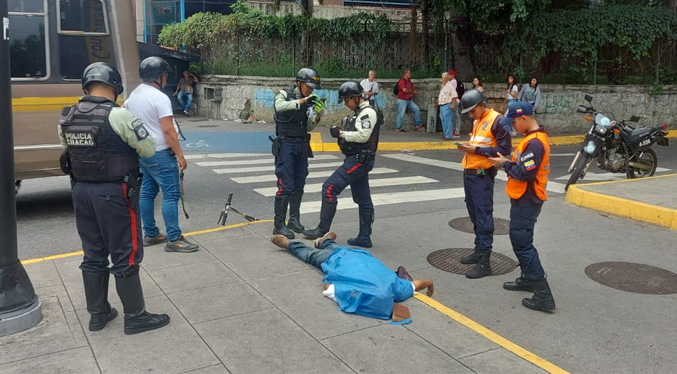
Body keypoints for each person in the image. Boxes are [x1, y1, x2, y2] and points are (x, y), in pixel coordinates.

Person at [58, 62, 170, 335]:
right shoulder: (119, 116)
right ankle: (135, 316)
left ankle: (98, 314)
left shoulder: (68, 116)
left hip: (81, 193)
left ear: (85, 86)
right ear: (116, 88)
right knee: (126, 253)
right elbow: (147, 149)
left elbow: (66, 150)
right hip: (114, 194)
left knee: (93, 253)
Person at [125, 56, 199, 253]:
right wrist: (181, 156)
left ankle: (150, 233)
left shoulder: (134, 95)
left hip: (143, 153)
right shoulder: (159, 98)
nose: (166, 78)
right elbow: (168, 130)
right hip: (160, 153)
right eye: (165, 75)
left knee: (148, 192)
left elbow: (126, 115)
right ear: (159, 77)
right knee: (171, 194)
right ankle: (174, 238)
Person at [271, 232, 434, 320]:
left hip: (357, 255)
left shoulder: (394, 287)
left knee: (335, 247)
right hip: (332, 260)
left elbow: (418, 284)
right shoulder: (358, 293)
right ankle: (289, 244)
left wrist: (429, 283)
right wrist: (343, 293)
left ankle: (324, 240)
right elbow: (327, 287)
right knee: (309, 255)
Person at [489, 101, 555, 312]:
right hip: (523, 198)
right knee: (522, 240)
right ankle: (527, 279)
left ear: (525, 118)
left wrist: (504, 164)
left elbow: (524, 173)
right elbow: (523, 166)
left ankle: (544, 295)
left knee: (522, 243)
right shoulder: (531, 139)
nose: (513, 126)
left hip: (529, 198)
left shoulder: (535, 143)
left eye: (514, 121)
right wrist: (508, 162)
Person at [302, 81, 381, 248]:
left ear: (355, 98)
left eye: (346, 100)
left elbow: (363, 136)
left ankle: (322, 230)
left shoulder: (367, 113)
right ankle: (364, 237)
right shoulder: (359, 112)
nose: (346, 104)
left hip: (359, 159)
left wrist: (341, 133)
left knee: (329, 188)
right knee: (363, 198)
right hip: (358, 159)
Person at [456, 89, 512, 279]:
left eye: (472, 111)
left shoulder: (498, 120)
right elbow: (481, 145)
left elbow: (505, 150)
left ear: (481, 105)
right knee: (474, 215)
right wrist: (470, 148)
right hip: (470, 174)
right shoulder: (478, 120)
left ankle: (485, 262)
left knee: (484, 217)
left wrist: (476, 149)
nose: (470, 115)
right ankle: (478, 250)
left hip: (482, 176)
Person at [271, 68, 325, 239]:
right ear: (299, 83)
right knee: (285, 185)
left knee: (299, 183)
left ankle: (294, 220)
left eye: (312, 88)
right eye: (308, 86)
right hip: (286, 144)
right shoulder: (284, 94)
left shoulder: (308, 101)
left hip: (302, 145)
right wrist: (302, 101)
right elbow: (279, 107)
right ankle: (279, 225)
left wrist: (317, 116)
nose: (310, 90)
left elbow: (308, 126)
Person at [395, 68, 423, 133]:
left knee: (416, 109)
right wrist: (413, 92)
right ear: (405, 74)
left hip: (409, 100)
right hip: (402, 100)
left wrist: (414, 89)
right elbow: (404, 90)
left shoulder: (409, 81)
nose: (410, 74)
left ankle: (418, 125)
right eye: (409, 73)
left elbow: (412, 87)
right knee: (400, 114)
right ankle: (398, 128)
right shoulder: (402, 81)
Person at [436, 72, 457, 141]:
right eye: (442, 78)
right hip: (442, 105)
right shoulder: (443, 85)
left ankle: (448, 135)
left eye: (445, 78)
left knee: (447, 121)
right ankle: (446, 134)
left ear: (448, 78)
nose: (443, 80)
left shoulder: (450, 86)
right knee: (443, 120)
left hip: (447, 104)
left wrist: (453, 104)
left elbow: (454, 95)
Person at [448, 70, 462, 138]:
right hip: (453, 100)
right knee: (453, 116)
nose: (449, 76)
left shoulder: (453, 81)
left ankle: (457, 131)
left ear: (453, 75)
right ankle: (453, 129)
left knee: (456, 116)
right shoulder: (451, 81)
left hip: (455, 100)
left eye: (450, 75)